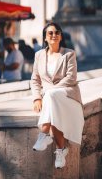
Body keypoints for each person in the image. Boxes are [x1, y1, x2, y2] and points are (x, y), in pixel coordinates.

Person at [31, 22, 84, 169]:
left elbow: (71, 78)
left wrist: (50, 91)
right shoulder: (39, 55)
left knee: (51, 96)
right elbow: (35, 79)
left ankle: (43, 135)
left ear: (60, 37)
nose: (54, 35)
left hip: (68, 94)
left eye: (57, 33)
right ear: (45, 38)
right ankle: (60, 151)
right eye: (50, 33)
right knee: (53, 106)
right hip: (52, 98)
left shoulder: (69, 54)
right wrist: (36, 97)